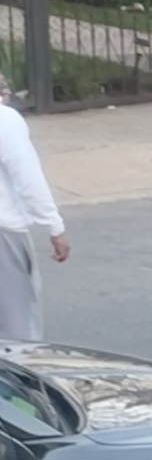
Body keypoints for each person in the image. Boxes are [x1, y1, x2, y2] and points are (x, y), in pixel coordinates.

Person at [0, 102, 70, 342]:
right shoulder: (5, 120)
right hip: (5, 232)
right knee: (18, 333)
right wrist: (54, 226)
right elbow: (28, 178)